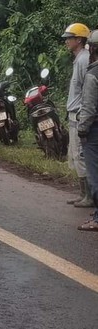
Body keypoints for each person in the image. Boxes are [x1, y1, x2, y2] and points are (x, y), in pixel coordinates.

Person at [63, 23, 93, 207]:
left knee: (81, 155)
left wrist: (83, 115)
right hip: (74, 114)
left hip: (79, 115)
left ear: (79, 40)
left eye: (69, 38)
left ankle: (89, 196)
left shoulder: (84, 59)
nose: (67, 41)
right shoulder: (79, 58)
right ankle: (83, 193)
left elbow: (86, 90)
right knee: (75, 155)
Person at [76, 29, 98, 231]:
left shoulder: (93, 75)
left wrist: (81, 129)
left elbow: (89, 108)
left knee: (94, 174)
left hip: (94, 130)